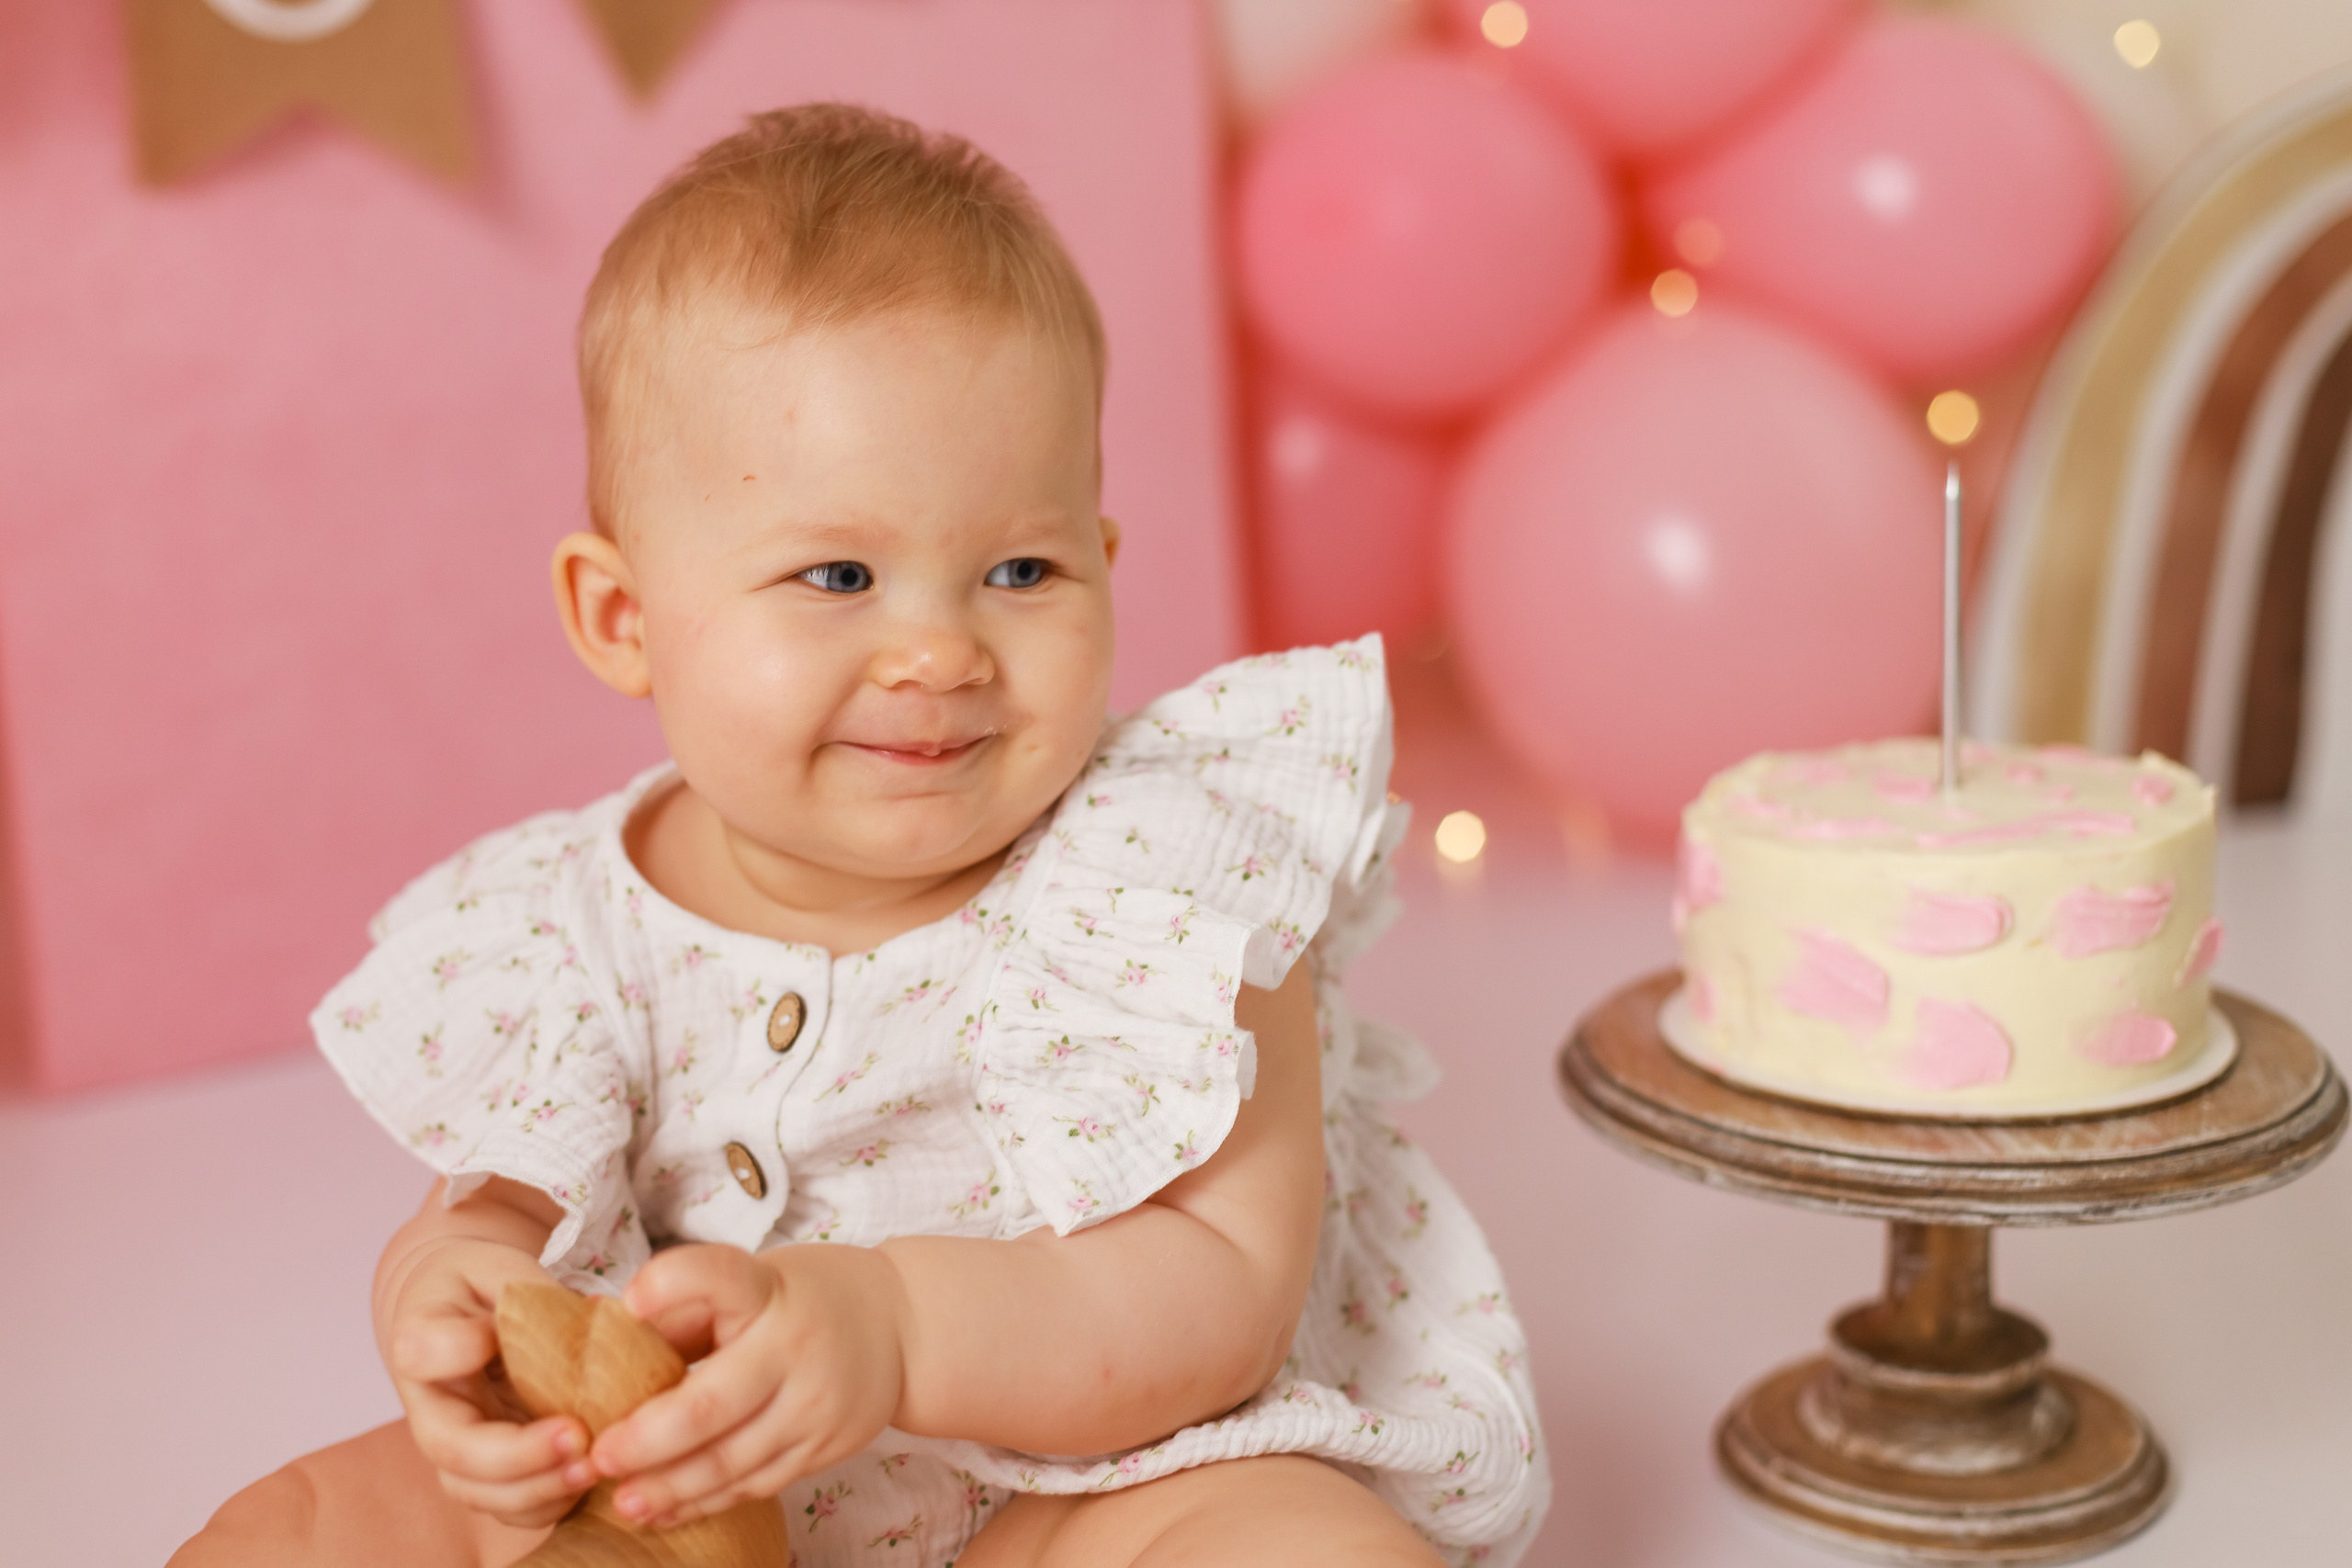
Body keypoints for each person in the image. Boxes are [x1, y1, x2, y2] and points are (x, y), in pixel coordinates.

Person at [173, 104, 1545, 1568]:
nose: (939, 653)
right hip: (668, 1495)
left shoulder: (1171, 887)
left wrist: (893, 1330)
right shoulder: (562, 924)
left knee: (1300, 1550)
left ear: (1104, 563)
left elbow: (1219, 1292)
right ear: (624, 619)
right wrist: (449, 1299)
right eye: (839, 575)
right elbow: (501, 1204)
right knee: (297, 1531)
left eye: (1021, 569)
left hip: (1071, 1493)